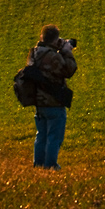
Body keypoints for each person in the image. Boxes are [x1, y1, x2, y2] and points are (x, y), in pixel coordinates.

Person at [29, 24, 77, 169]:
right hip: (54, 102)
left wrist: (59, 48)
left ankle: (38, 164)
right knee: (54, 137)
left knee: (41, 135)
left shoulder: (36, 53)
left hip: (39, 102)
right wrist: (67, 51)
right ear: (55, 40)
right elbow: (69, 69)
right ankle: (50, 165)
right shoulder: (52, 57)